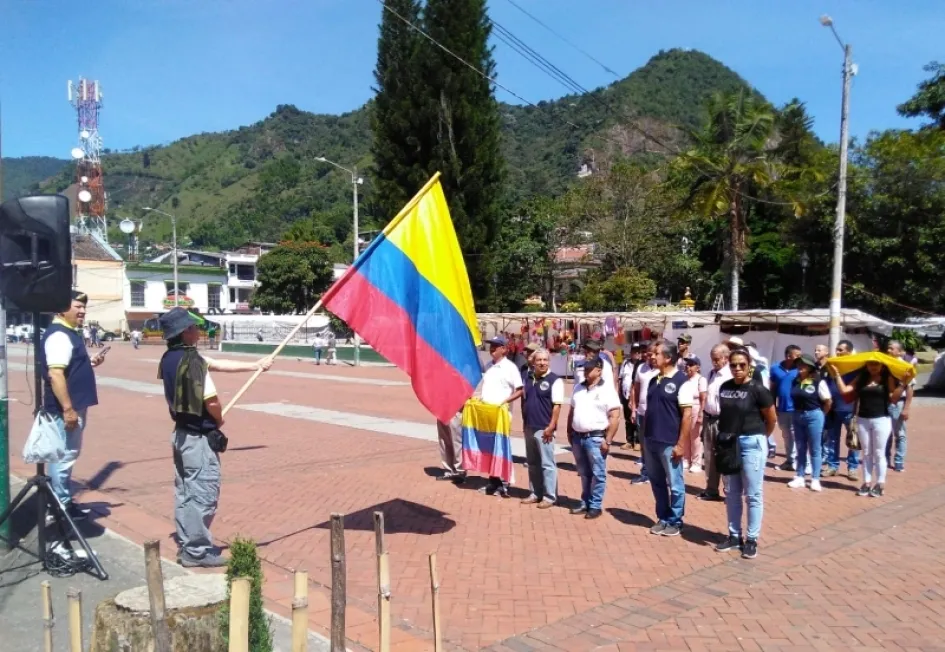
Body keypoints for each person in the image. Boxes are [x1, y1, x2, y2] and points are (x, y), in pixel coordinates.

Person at [158, 307, 272, 567]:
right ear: (185, 332)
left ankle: (189, 543)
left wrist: (255, 366)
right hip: (198, 437)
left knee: (186, 492)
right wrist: (218, 419)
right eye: (194, 327)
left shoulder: (170, 358)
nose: (198, 330)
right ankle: (197, 551)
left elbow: (218, 364)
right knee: (203, 493)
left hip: (181, 434)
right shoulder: (193, 361)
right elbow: (210, 399)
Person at [39, 291, 106, 520]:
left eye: (84, 307)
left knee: (68, 456)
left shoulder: (68, 333)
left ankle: (62, 502)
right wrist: (68, 409)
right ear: (61, 309)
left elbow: (67, 368)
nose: (82, 311)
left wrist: (89, 362)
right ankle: (60, 507)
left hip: (74, 406)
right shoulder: (59, 335)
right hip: (66, 409)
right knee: (64, 457)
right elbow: (56, 374)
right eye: (77, 306)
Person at [715, 348, 777, 560]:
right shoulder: (724, 387)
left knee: (753, 494)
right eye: (733, 365)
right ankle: (734, 536)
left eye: (742, 364)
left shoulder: (758, 389)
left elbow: (771, 419)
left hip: (752, 442)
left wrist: (759, 438)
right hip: (729, 444)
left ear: (749, 365)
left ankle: (751, 539)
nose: (737, 368)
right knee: (732, 493)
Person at [829, 358, 913, 497]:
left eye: (876, 364)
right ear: (866, 365)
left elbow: (893, 398)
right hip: (863, 419)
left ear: (881, 365)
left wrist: (903, 384)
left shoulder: (887, 378)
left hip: (881, 419)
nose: (873, 367)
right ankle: (867, 483)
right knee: (867, 453)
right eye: (870, 364)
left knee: (879, 453)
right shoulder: (862, 377)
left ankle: (880, 484)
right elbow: (845, 391)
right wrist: (837, 374)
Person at [644, 340, 693, 537]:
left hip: (669, 442)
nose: (652, 356)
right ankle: (662, 517)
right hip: (651, 440)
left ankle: (675, 520)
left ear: (668, 357)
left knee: (676, 483)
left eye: (656, 353)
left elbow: (687, 416)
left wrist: (681, 444)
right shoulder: (653, 380)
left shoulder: (682, 381)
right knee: (656, 481)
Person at [567, 356, 621, 519]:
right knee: (584, 472)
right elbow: (571, 411)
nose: (585, 371)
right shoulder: (578, 388)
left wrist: (609, 440)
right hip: (578, 437)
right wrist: (570, 432)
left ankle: (595, 505)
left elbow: (615, 416)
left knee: (598, 473)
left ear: (599, 370)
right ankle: (585, 502)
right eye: (584, 368)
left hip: (595, 438)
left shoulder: (607, 391)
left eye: (589, 368)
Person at [478, 335, 524, 497]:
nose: (492, 349)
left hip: (502, 415)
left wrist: (505, 401)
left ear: (504, 349)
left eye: (496, 346)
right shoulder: (489, 366)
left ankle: (504, 482)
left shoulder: (510, 367)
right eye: (491, 345)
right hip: (487, 414)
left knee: (501, 448)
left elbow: (520, 389)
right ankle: (493, 481)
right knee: (489, 449)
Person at [521, 349, 564, 508]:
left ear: (549, 361)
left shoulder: (555, 380)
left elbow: (557, 406)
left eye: (545, 360)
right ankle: (535, 493)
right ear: (533, 362)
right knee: (532, 463)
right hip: (529, 426)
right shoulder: (528, 378)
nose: (542, 363)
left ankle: (550, 496)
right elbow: (525, 402)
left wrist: (551, 426)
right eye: (539, 360)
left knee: (547, 463)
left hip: (544, 428)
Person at [787, 354, 832, 492]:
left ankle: (815, 478)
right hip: (797, 415)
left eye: (804, 364)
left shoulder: (818, 382)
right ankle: (800, 476)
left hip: (814, 415)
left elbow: (828, 401)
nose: (800, 367)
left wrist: (820, 414)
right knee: (800, 447)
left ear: (810, 367)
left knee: (815, 448)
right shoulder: (795, 381)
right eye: (799, 364)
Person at [699, 344, 731, 502]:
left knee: (724, 456)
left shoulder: (729, 375)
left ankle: (730, 491)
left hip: (723, 420)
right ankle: (711, 489)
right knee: (709, 456)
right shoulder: (711, 374)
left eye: (717, 359)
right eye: (712, 359)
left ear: (725, 358)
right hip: (709, 418)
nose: (714, 362)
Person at [823, 339, 859, 480]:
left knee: (853, 440)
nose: (837, 352)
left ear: (849, 352)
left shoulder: (856, 368)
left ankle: (853, 468)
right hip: (833, 409)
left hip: (849, 409)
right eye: (837, 350)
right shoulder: (831, 366)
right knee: (832, 439)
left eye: (841, 350)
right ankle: (833, 466)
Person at [630, 342, 659, 484]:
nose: (650, 356)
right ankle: (646, 472)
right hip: (642, 412)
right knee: (644, 444)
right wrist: (634, 408)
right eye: (648, 354)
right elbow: (635, 388)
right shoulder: (641, 368)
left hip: (657, 415)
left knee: (657, 445)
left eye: (653, 354)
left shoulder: (662, 370)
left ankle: (659, 474)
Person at [769, 345, 802, 471]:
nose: (800, 358)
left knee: (797, 435)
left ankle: (800, 462)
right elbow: (773, 388)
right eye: (797, 356)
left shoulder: (800, 369)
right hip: (782, 409)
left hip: (796, 409)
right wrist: (773, 405)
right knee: (786, 435)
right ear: (789, 356)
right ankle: (789, 460)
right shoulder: (775, 368)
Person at [885, 339, 914, 472]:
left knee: (900, 433)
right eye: (888, 348)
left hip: (898, 403)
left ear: (900, 351)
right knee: (886, 433)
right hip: (885, 401)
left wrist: (906, 408)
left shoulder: (905, 367)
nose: (889, 350)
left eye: (892, 348)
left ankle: (899, 462)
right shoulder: (885, 364)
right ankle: (885, 459)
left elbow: (909, 389)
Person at [682, 356, 708, 473]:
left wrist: (701, 413)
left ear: (697, 367)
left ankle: (696, 462)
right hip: (685, 409)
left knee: (696, 437)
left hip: (696, 408)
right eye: (687, 364)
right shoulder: (684, 379)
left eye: (691, 364)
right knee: (685, 435)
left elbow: (703, 398)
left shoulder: (701, 379)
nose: (688, 367)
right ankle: (686, 459)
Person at [618, 343, 643, 450]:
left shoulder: (642, 365)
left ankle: (638, 441)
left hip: (637, 396)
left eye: (638, 352)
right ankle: (629, 440)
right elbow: (620, 378)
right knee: (628, 418)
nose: (636, 354)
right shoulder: (625, 363)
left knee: (637, 418)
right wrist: (619, 392)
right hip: (626, 394)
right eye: (634, 351)